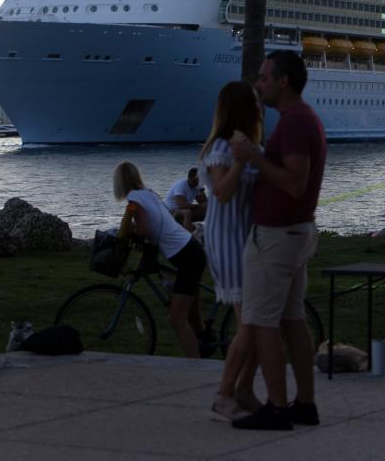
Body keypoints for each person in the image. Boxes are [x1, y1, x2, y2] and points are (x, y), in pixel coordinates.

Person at [228, 50, 326, 431]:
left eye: (265, 78)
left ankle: (278, 407)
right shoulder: (298, 120)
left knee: (262, 322)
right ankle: (304, 404)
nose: (259, 84)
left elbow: (295, 182)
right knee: (291, 320)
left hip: (277, 236)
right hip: (294, 232)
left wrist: (252, 155)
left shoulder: (297, 121)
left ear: (284, 81)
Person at [198, 81, 265, 420]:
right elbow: (222, 192)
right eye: (254, 103)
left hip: (248, 238)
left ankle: (244, 389)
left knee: (258, 321)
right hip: (229, 240)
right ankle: (225, 393)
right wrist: (241, 161)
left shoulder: (249, 146)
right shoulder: (223, 149)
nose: (260, 108)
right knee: (250, 322)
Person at [113, 161, 207, 358]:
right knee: (192, 315)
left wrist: (130, 230)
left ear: (120, 183)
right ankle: (206, 343)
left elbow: (146, 230)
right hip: (191, 248)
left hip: (187, 256)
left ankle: (198, 368)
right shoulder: (149, 193)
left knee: (177, 319)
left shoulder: (133, 200)